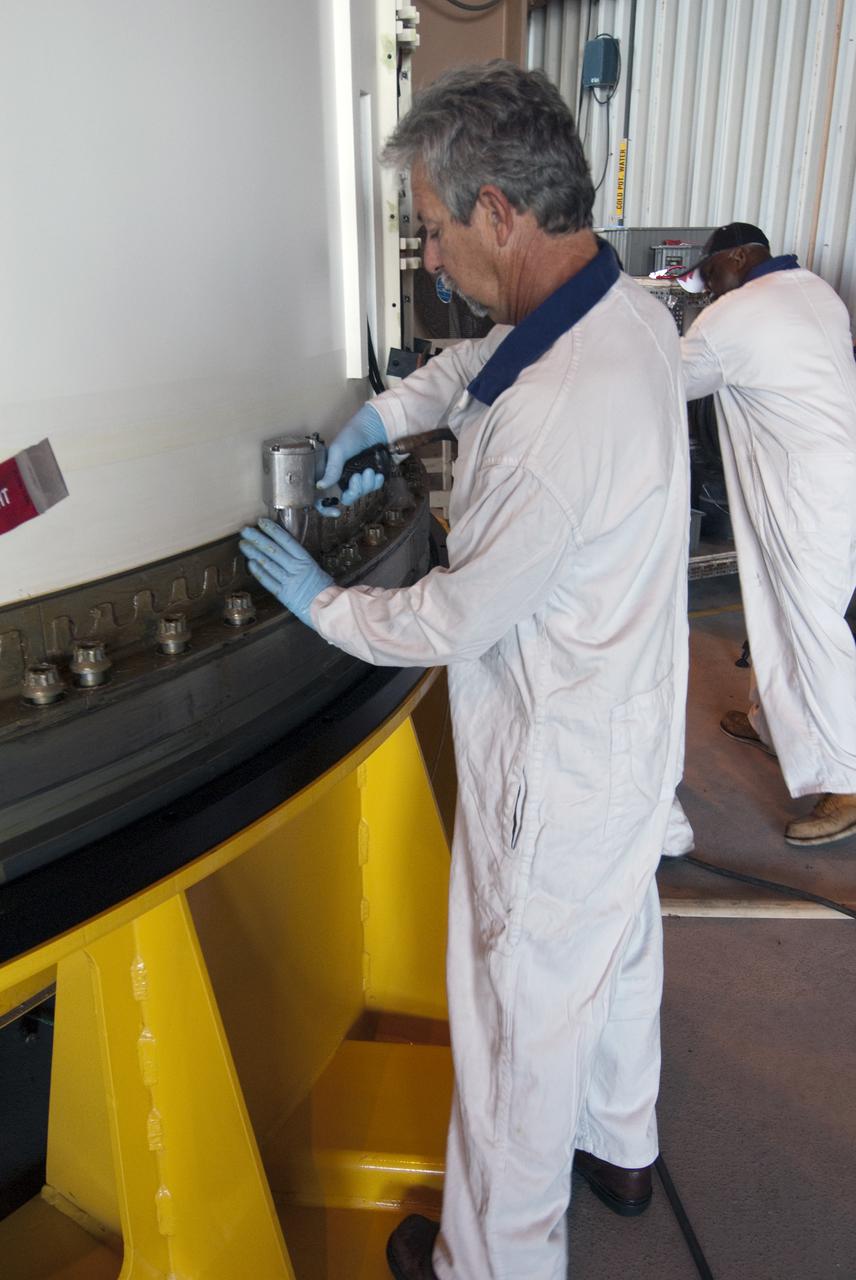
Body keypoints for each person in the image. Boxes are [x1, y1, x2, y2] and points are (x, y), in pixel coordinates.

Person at [241, 61, 689, 1280]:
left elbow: (452, 619)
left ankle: (490, 1262)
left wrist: (328, 603)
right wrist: (385, 417)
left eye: (435, 228)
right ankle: (623, 1144)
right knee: (614, 948)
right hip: (631, 727)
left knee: (512, 1034)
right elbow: (483, 365)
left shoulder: (557, 416)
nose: (430, 257)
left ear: (499, 210)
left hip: (552, 768)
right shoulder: (618, 307)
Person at [680, 223, 856, 845]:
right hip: (826, 480)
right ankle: (772, 724)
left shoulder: (739, 314)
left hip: (804, 492)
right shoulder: (813, 289)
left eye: (706, 276)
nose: (704, 290)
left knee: (812, 626)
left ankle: (848, 781)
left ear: (735, 258)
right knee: (774, 608)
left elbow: (664, 381)